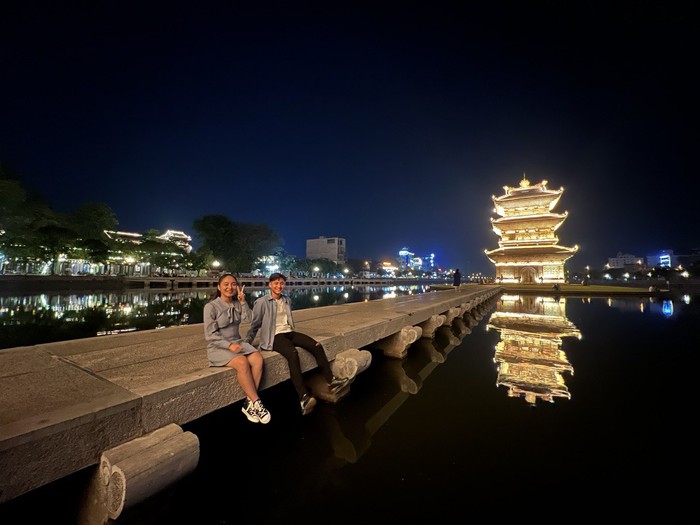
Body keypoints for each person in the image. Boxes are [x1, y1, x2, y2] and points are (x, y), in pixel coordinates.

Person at [245, 272, 348, 415]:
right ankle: (303, 396)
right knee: (293, 354)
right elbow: (254, 325)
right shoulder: (262, 302)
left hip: (289, 332)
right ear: (270, 285)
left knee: (316, 345)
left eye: (281, 283)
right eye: (276, 283)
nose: (279, 286)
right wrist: (247, 343)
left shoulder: (286, 300)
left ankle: (331, 380)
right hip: (274, 337)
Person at [203, 273, 271, 424]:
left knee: (258, 359)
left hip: (238, 342)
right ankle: (257, 402)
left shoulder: (237, 303)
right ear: (219, 287)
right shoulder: (211, 307)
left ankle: (249, 403)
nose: (230, 287)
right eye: (226, 284)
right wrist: (228, 345)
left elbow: (250, 320)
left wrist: (243, 302)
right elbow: (210, 335)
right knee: (242, 362)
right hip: (219, 346)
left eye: (233, 284)